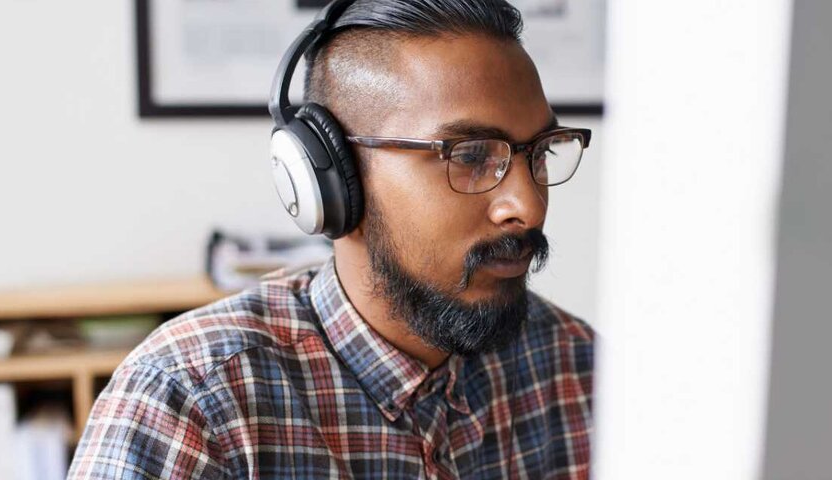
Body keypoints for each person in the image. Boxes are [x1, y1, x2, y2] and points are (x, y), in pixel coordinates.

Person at [68, 0, 594, 478]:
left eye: (541, 152)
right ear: (333, 180)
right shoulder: (189, 403)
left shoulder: (581, 368)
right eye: (471, 155)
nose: (527, 206)